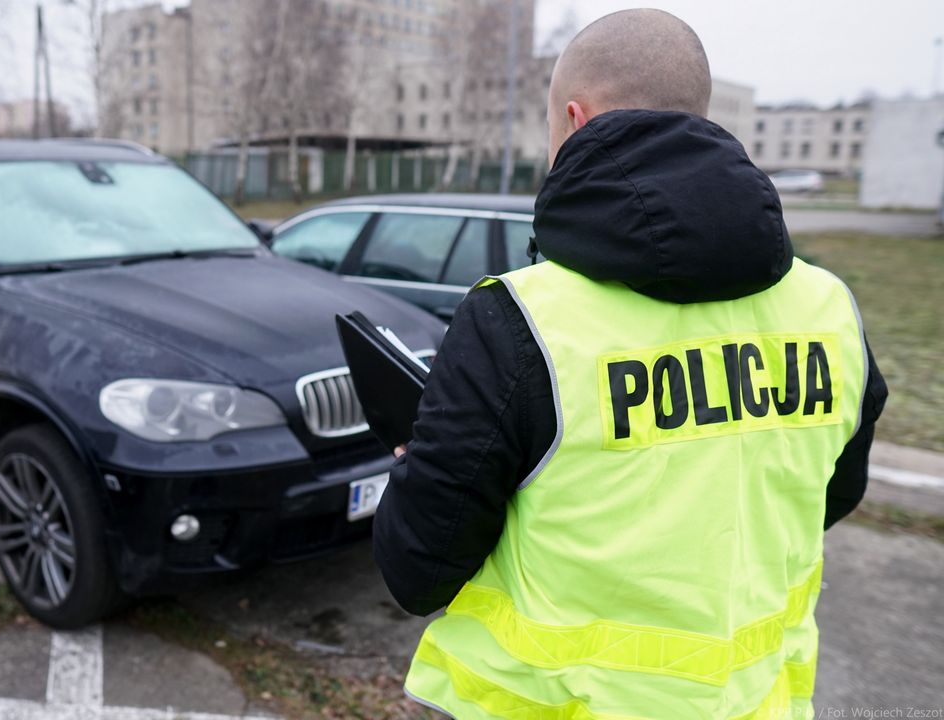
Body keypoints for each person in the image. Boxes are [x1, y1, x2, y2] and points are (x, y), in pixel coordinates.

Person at [373, 9, 888, 719]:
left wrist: (417, 468)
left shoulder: (518, 320)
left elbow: (418, 569)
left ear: (576, 122)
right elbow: (830, 496)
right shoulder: (830, 309)